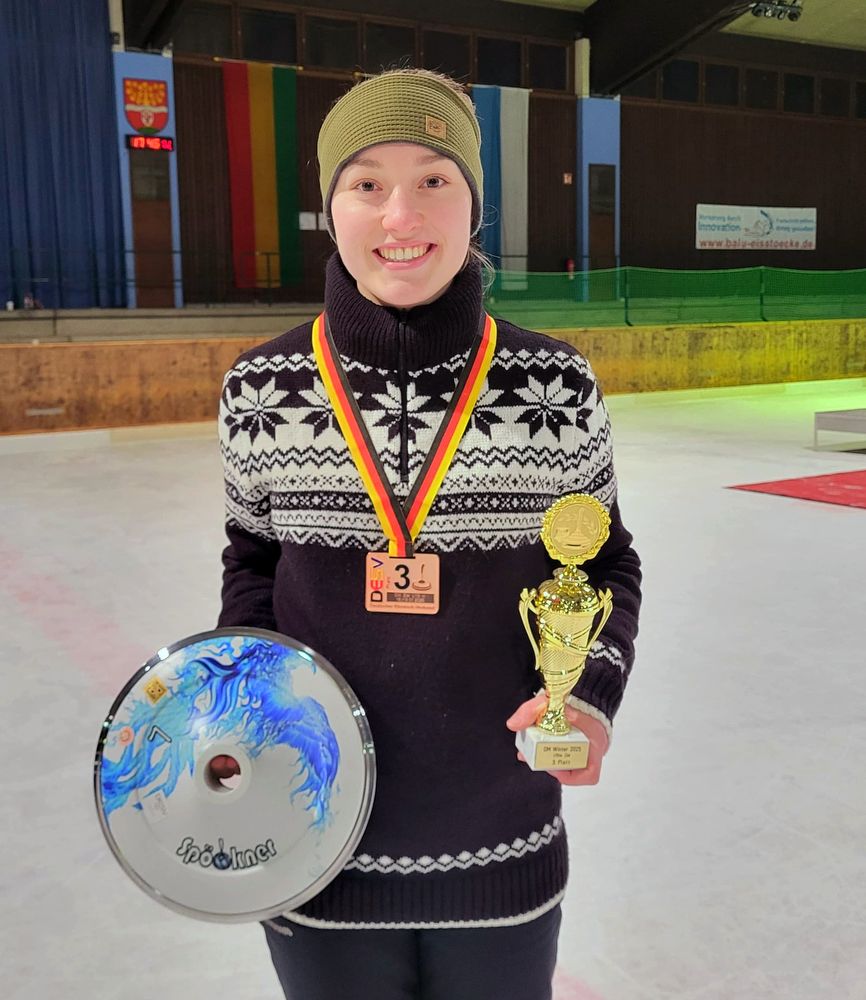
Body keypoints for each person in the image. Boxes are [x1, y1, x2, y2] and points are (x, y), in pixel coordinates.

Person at [217, 67, 642, 1000]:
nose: (400, 214)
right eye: (366, 183)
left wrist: (588, 693)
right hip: (312, 847)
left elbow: (604, 562)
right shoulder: (260, 388)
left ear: (474, 205)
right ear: (331, 207)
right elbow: (251, 565)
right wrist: (238, 703)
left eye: (434, 180)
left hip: (500, 851)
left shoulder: (555, 386)